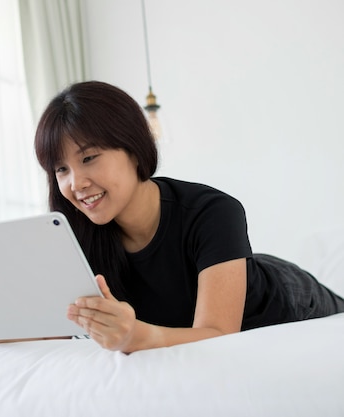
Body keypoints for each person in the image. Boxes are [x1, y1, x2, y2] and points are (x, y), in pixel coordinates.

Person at [33, 80, 344, 354]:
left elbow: (219, 335)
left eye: (88, 158)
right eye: (61, 169)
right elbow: (59, 327)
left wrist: (137, 336)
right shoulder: (77, 234)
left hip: (284, 296)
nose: (76, 184)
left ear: (133, 148)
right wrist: (5, 325)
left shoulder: (213, 212)